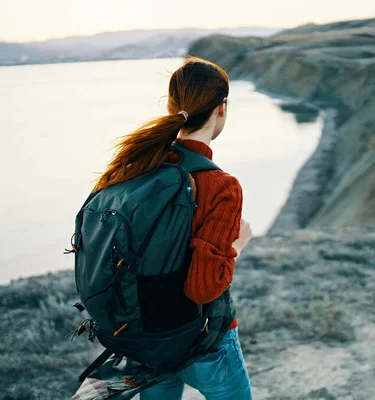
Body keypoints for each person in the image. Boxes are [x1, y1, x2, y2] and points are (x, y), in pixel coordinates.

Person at [92, 56, 253, 400]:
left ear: (171, 105)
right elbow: (203, 288)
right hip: (203, 338)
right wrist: (238, 245)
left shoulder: (136, 166)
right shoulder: (220, 185)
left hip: (144, 336)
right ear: (222, 108)